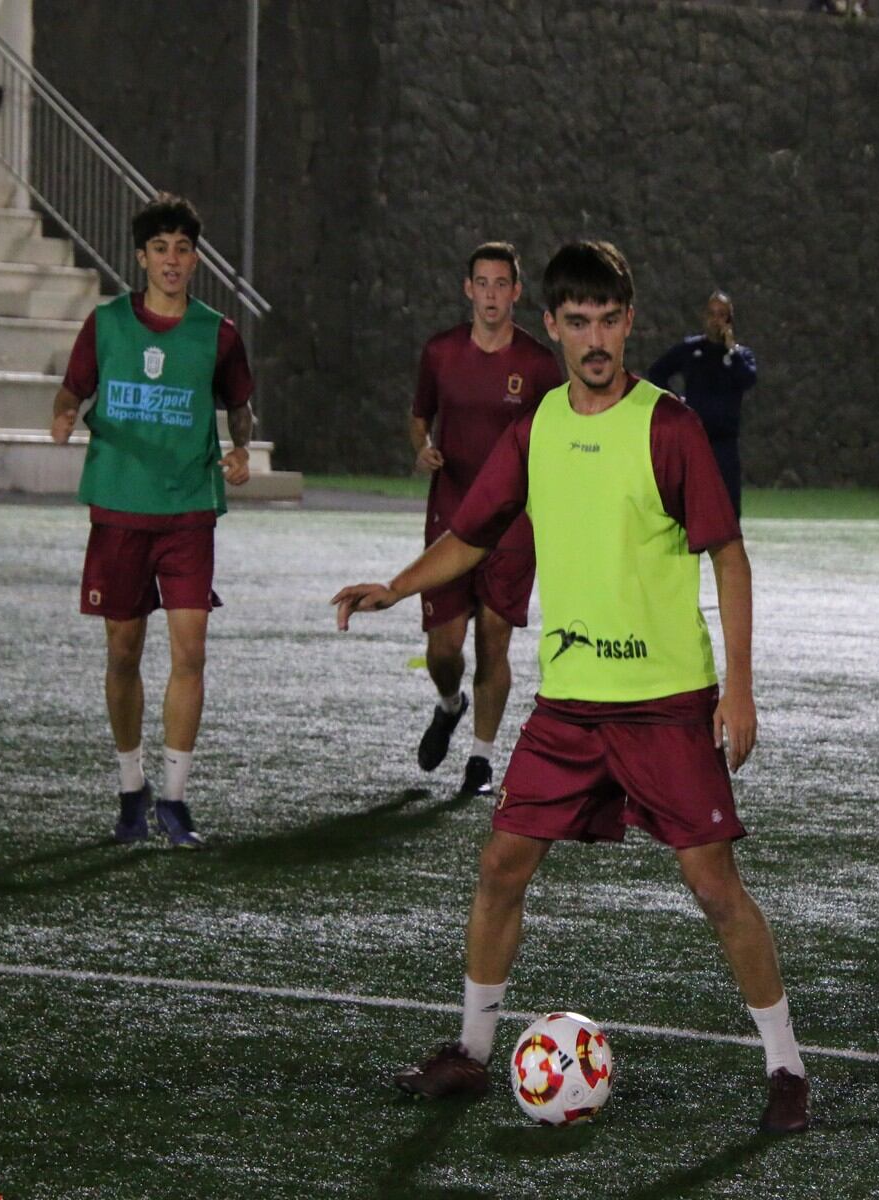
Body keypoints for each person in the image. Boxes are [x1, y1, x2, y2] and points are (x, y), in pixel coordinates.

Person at [333, 241, 810, 1134]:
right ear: (549, 325)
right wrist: (397, 586)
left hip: (667, 702)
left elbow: (730, 555)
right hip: (570, 706)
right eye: (577, 322)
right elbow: (472, 534)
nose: (595, 340)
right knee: (500, 865)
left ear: (629, 322)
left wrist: (737, 688)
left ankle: (785, 1066)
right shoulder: (539, 426)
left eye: (609, 321)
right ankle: (473, 1053)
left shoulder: (668, 427)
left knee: (714, 887)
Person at [49, 193, 255, 847]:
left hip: (189, 510)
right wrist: (60, 414)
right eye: (160, 248)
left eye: (183, 248)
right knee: (123, 652)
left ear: (195, 259)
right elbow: (73, 387)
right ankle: (130, 788)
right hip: (119, 510)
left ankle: (174, 798)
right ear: (141, 257)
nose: (172, 259)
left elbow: (240, 404)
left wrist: (241, 447)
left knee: (191, 650)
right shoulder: (106, 324)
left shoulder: (218, 333)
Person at [408, 242, 563, 797]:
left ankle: (481, 758)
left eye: (503, 283)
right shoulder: (440, 352)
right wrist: (423, 447)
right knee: (444, 648)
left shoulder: (540, 364)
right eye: (483, 283)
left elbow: (556, 436)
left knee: (494, 641)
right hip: (450, 514)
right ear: (467, 289)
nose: (492, 294)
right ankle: (450, 704)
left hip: (513, 522)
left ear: (517, 292)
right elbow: (419, 417)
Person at [646, 291, 757, 517]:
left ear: (729, 321)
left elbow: (748, 379)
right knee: (686, 507)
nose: (715, 320)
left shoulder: (740, 355)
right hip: (693, 441)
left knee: (728, 510)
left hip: (724, 444)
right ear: (704, 316)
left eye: (722, 315)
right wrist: (674, 402)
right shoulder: (690, 349)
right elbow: (657, 372)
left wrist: (731, 350)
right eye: (712, 314)